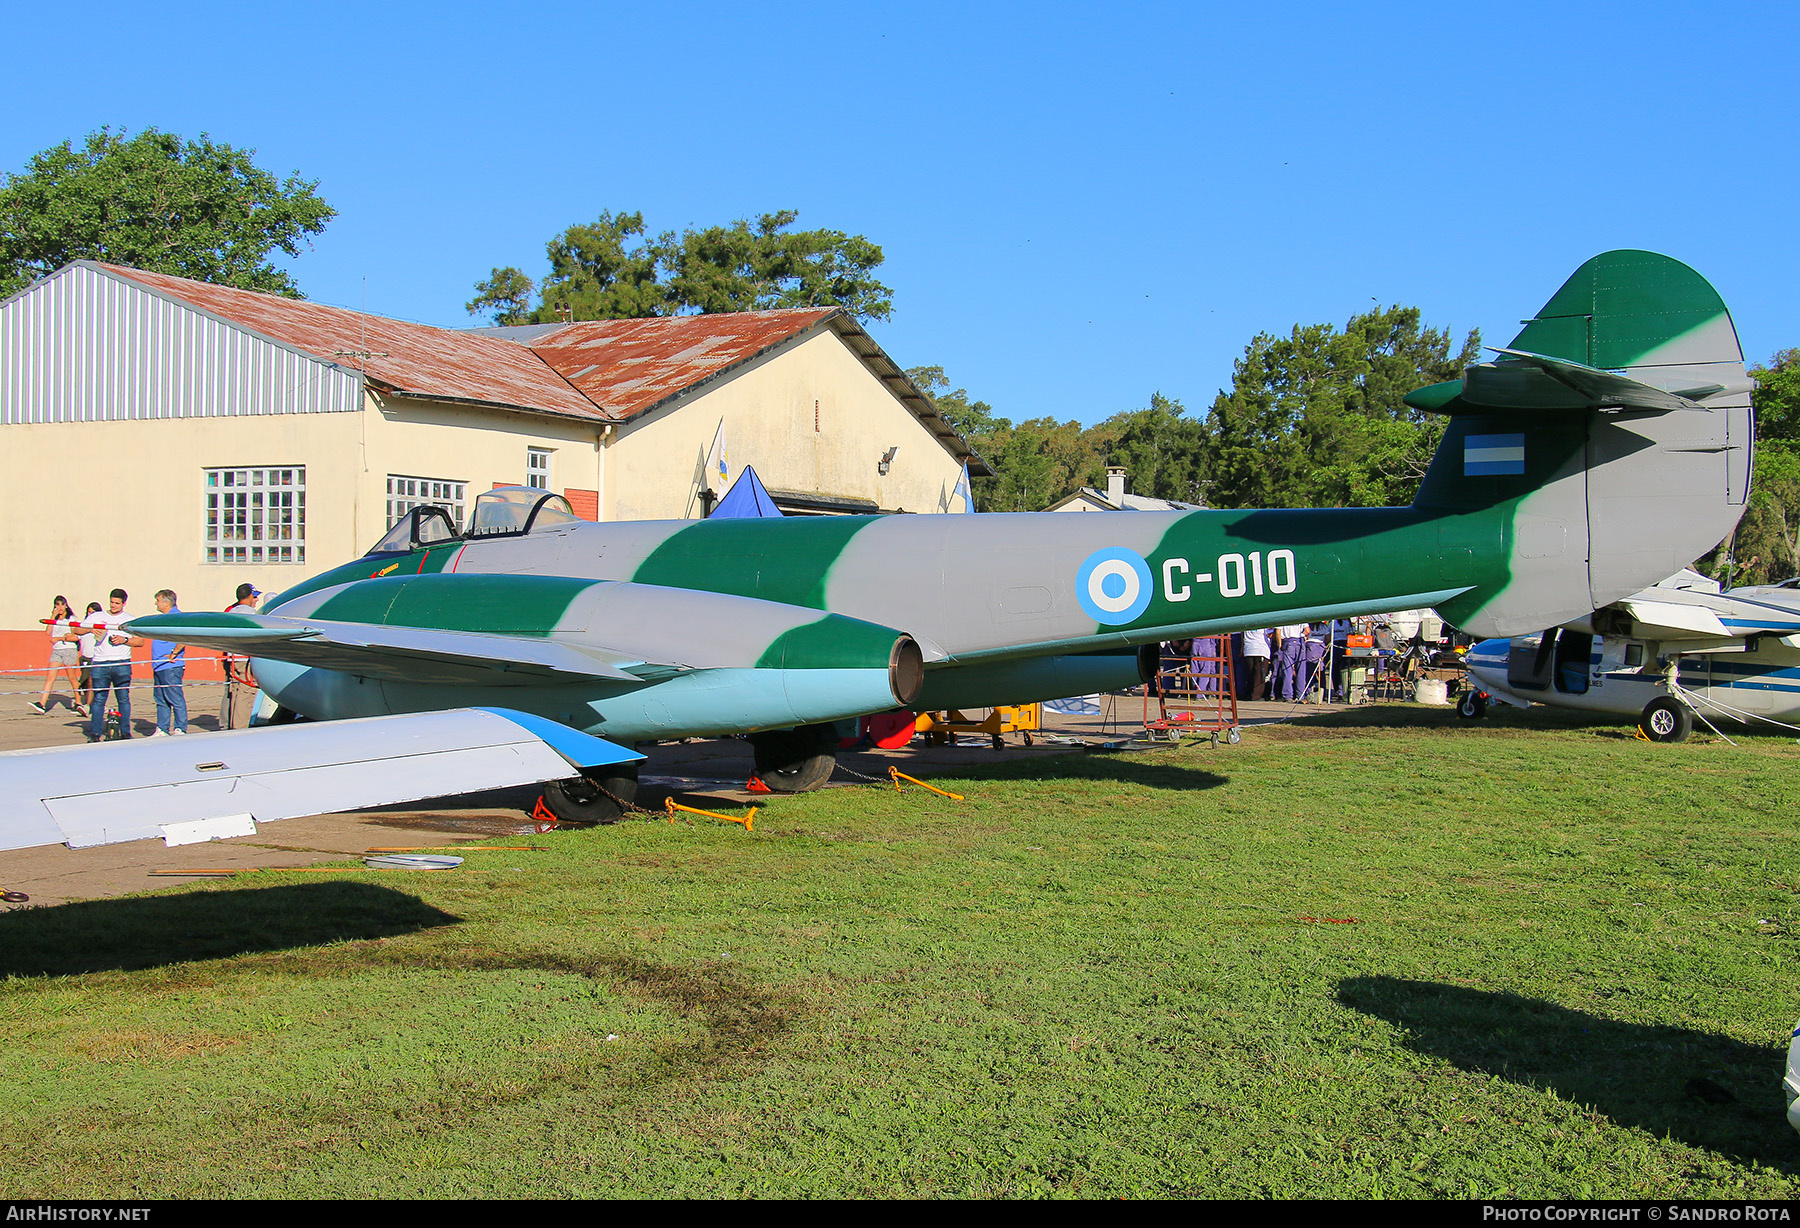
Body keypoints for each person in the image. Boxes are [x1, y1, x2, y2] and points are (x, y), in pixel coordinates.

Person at [133, 589, 188, 736]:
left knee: (175, 697)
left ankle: (180, 727)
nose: (156, 603)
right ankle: (162, 728)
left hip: (170, 666)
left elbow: (184, 637)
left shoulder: (176, 617)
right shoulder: (164, 618)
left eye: (158, 600)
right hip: (158, 665)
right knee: (161, 698)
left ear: (166, 602)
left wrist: (174, 653)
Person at [85, 589, 133, 742]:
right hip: (100, 663)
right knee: (99, 699)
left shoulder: (129, 619)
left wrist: (123, 640)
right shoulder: (97, 616)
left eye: (117, 603)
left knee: (123, 699)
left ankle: (125, 732)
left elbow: (140, 641)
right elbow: (77, 629)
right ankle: (95, 733)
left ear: (124, 603)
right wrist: (91, 628)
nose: (113, 606)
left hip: (121, 663)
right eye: (112, 602)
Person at [29, 596, 87, 716]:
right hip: (57, 650)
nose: (59, 607)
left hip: (68, 649)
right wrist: (52, 617)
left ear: (66, 605)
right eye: (57, 604)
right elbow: (48, 632)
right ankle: (42, 703)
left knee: (72, 678)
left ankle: (78, 702)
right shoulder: (55, 619)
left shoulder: (71, 618)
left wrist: (59, 638)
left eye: (62, 604)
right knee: (50, 677)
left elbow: (76, 635)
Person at [223, 583, 261, 729]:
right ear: (250, 596)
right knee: (246, 693)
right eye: (255, 596)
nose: (256, 600)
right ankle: (240, 729)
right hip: (246, 658)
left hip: (233, 657)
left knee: (235, 694)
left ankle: (233, 726)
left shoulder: (231, 612)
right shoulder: (252, 614)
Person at [1273, 623, 1309, 701]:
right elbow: (1307, 630)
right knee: (1301, 670)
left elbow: (1278, 632)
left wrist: (1280, 645)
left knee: (1287, 670)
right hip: (1300, 641)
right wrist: (1302, 635)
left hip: (1288, 641)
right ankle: (1301, 695)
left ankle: (1287, 694)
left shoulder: (1283, 617)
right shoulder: (1300, 615)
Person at [1241, 627, 1272, 701]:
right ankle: (1256, 695)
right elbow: (1270, 633)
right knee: (1259, 675)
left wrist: (1242, 647)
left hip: (1248, 649)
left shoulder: (1246, 622)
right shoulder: (1265, 622)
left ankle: (1249, 693)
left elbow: (1242, 634)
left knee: (1251, 673)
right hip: (1261, 649)